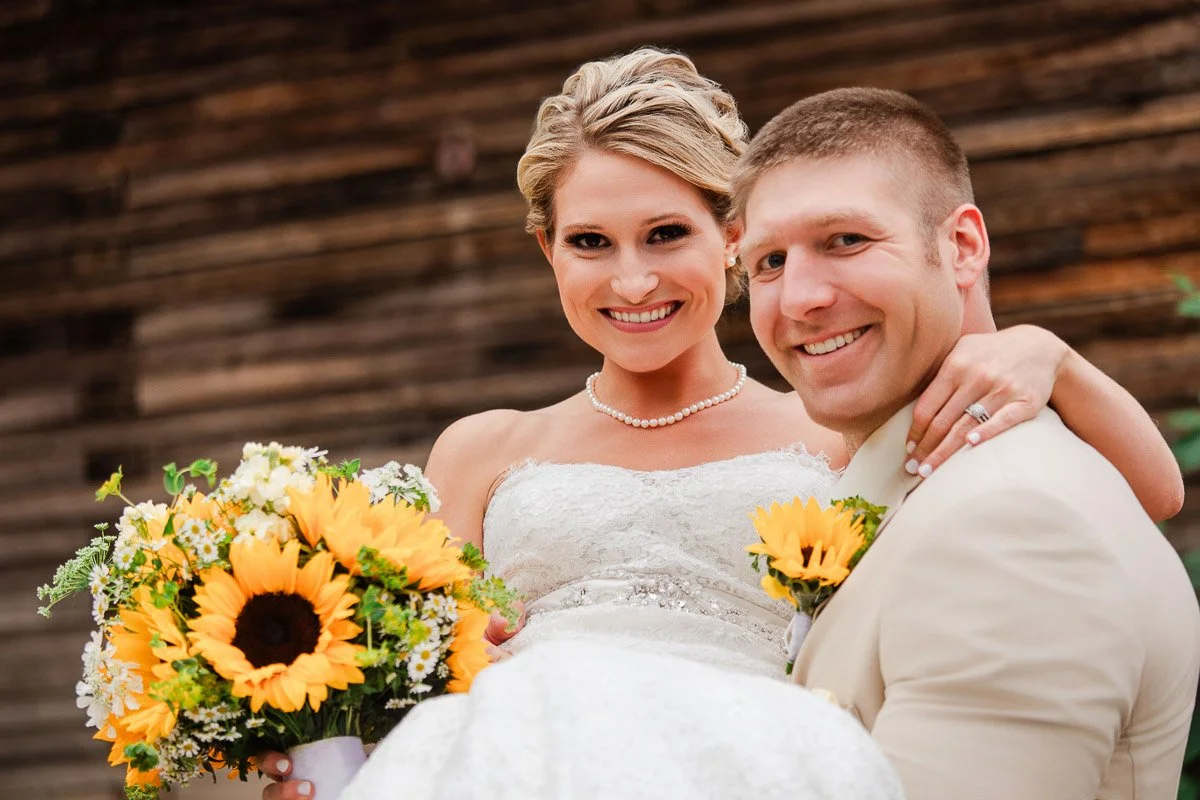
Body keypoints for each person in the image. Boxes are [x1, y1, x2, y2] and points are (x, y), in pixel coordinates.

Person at [257, 49, 1186, 800]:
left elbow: (1152, 493)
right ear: (549, 249)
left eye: (668, 235)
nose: (633, 282)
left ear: (731, 239)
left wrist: (1048, 354)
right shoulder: (483, 450)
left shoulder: (837, 433)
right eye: (590, 243)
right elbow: (402, 675)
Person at [735, 86, 1200, 799]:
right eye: (767, 262)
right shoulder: (913, 483)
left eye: (846, 241)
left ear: (962, 246)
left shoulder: (1010, 525)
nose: (797, 298)